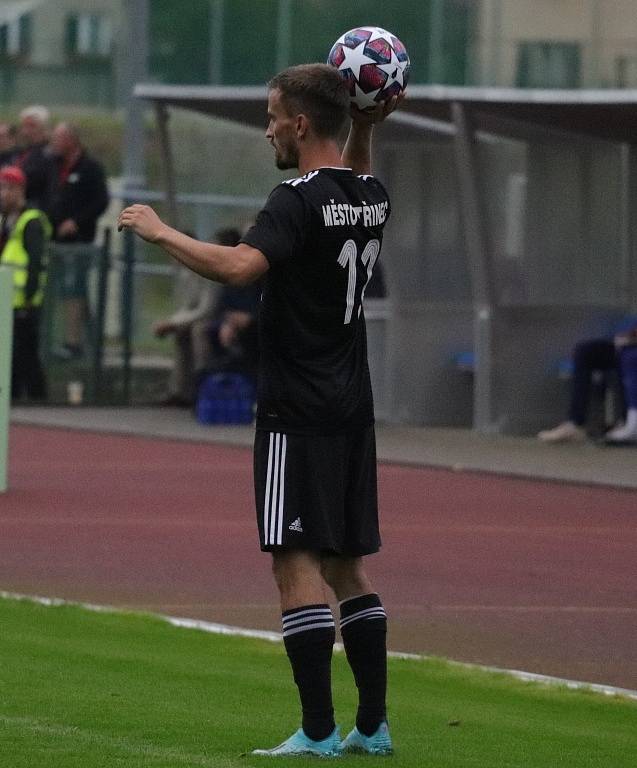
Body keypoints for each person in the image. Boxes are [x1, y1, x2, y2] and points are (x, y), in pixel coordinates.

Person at [119, 63, 400, 758]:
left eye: (273, 114)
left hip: (294, 408)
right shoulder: (370, 192)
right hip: (350, 405)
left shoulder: (293, 197)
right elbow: (353, 171)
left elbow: (241, 268)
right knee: (346, 564)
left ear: (300, 124)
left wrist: (161, 231)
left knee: (294, 558)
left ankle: (315, 731)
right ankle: (372, 725)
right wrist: (363, 122)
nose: (268, 126)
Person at [154, 228, 239, 407]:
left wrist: (172, 323)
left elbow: (206, 309)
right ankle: (179, 391)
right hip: (202, 317)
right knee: (181, 332)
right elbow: (187, 307)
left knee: (198, 330)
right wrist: (172, 323)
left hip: (216, 317)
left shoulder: (207, 271)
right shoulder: (185, 275)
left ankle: (200, 386)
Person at [48, 122, 110, 360]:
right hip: (57, 241)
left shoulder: (90, 168)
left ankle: (74, 342)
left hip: (79, 241)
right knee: (72, 291)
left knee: (74, 289)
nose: (54, 143)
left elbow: (101, 201)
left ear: (71, 140)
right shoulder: (55, 165)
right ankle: (86, 339)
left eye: (58, 138)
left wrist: (77, 221)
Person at [537, 315, 637, 444]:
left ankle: (632, 423)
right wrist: (629, 337)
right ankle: (574, 424)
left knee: (631, 357)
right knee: (585, 352)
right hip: (629, 343)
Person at [0, 165, 51, 401]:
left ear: (20, 190)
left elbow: (34, 263)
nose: (3, 194)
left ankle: (36, 399)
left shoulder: (31, 221)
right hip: (7, 299)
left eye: (8, 188)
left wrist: (30, 298)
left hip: (23, 301)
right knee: (13, 354)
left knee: (25, 354)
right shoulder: (6, 221)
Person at [14, 106, 56, 212]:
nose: (26, 132)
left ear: (44, 128)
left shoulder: (50, 154)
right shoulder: (21, 152)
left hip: (37, 210)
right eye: (24, 126)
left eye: (32, 126)